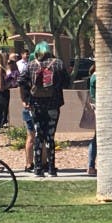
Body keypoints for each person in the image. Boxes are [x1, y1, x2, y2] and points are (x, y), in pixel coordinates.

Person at [20, 41, 70, 177]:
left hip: (36, 105)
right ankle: (51, 168)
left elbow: (21, 81)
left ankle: (37, 168)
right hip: (53, 104)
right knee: (50, 136)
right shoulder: (58, 64)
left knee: (38, 135)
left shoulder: (30, 65)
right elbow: (67, 82)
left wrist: (26, 99)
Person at [17, 48, 35, 172]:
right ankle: (30, 163)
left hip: (30, 107)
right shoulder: (31, 76)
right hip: (32, 108)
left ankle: (32, 163)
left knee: (33, 136)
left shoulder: (25, 75)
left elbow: (21, 91)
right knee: (33, 136)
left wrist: (24, 101)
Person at [86, 64, 97, 176]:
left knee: (97, 138)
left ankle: (91, 165)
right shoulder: (97, 77)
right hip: (98, 108)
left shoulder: (94, 76)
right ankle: (91, 165)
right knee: (97, 138)